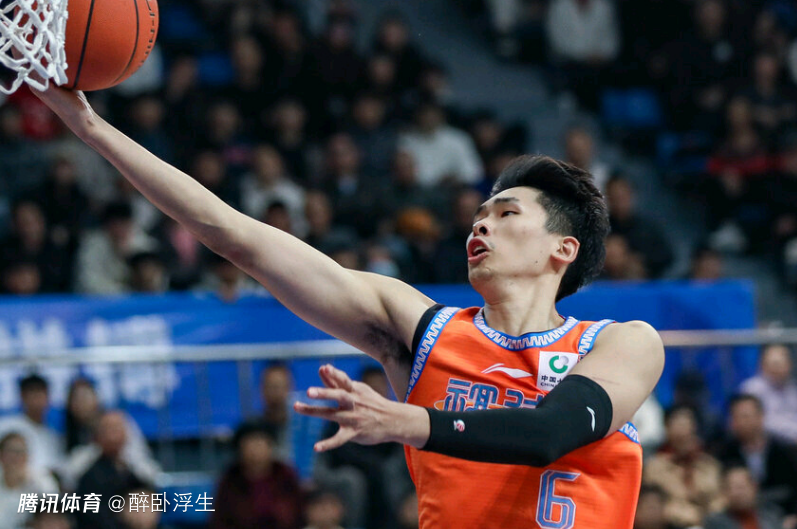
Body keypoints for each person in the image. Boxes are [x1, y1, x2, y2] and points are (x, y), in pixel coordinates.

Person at [34, 86, 664, 528]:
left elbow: (549, 434)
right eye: (478, 215)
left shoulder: (622, 343)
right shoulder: (423, 329)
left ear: (562, 249)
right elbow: (237, 237)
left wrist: (408, 422)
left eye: (505, 214)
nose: (480, 226)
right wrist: (93, 129)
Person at [210, 420, 303, 529]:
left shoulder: (286, 475)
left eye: (260, 444)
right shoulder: (230, 479)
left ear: (271, 447)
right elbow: (220, 520)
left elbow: (298, 515)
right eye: (249, 445)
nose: (255, 451)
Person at [643, 405, 724, 528]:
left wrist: (709, 517)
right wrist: (690, 516)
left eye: (688, 424)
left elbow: (720, 499)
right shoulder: (654, 467)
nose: (684, 430)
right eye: (679, 424)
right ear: (667, 428)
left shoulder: (709, 465)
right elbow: (654, 503)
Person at [717, 394, 797, 517]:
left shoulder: (784, 451)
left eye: (745, 416)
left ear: (761, 416)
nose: (741, 422)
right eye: (735, 417)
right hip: (739, 518)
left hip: (784, 514)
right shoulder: (725, 453)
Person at [74, 412, 152, 529]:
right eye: (108, 429)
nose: (114, 435)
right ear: (96, 437)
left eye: (118, 428)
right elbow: (94, 518)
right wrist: (125, 517)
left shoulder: (130, 469)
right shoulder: (90, 477)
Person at [0, 375, 63, 473]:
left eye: (40, 394)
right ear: (22, 397)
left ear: (48, 398)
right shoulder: (7, 426)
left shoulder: (52, 436)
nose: (36, 400)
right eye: (32, 394)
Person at [740, 344, 797, 443]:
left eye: (781, 364)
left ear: (789, 365)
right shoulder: (751, 389)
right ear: (763, 365)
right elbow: (755, 423)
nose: (777, 369)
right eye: (774, 364)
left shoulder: (793, 387)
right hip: (767, 443)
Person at [0, 433, 58, 529]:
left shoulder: (41, 480)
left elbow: (54, 511)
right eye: (12, 451)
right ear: (1, 455)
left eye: (22, 452)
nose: (16, 457)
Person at [703, 466, 791, 529]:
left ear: (754, 487)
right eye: (730, 488)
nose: (737, 493)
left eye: (741, 487)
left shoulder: (772, 515)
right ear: (724, 492)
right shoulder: (715, 521)